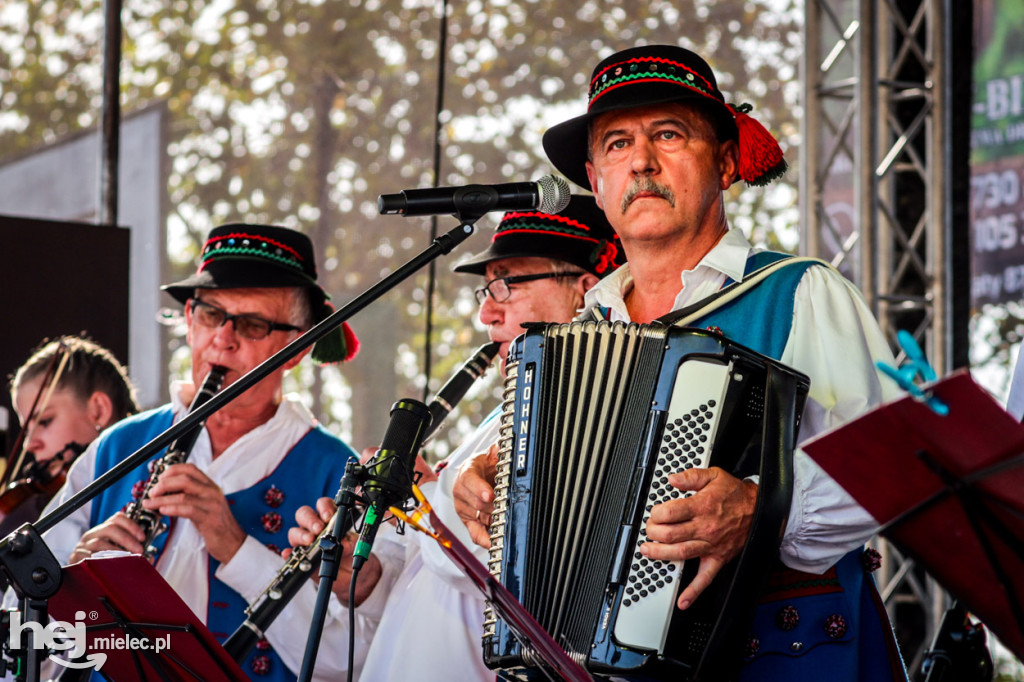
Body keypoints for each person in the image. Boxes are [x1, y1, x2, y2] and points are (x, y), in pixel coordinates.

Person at [453, 45, 909, 681]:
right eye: (616, 145)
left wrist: (760, 506)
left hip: (785, 657)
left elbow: (893, 466)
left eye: (667, 135)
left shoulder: (801, 291)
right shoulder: (580, 333)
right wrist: (490, 490)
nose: (640, 161)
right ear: (594, 179)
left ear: (725, 162)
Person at [286, 196, 623, 681]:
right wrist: (366, 583)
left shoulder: (587, 423)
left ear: (585, 291)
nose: (486, 314)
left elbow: (511, 578)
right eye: (486, 291)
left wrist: (422, 499)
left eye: (506, 285)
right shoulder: (501, 419)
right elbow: (433, 588)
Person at [34, 224, 363, 681]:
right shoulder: (118, 447)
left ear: (295, 348)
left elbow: (348, 659)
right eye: (210, 314)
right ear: (189, 320)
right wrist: (69, 584)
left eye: (251, 325)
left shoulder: (337, 473)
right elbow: (21, 625)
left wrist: (237, 548)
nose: (222, 340)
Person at [1, 335, 138, 535]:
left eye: (45, 421)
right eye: (26, 430)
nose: (29, 445)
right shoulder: (36, 506)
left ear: (98, 411)